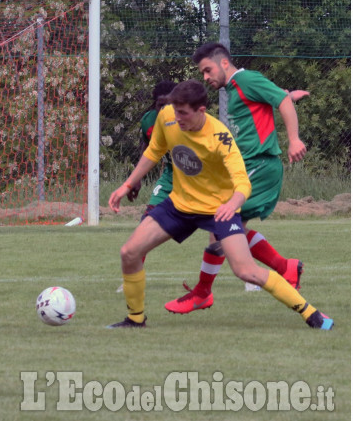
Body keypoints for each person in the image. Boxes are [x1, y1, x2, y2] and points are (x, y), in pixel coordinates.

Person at [107, 79, 333, 331]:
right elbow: (154, 150)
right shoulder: (167, 116)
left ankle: (311, 313)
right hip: (179, 206)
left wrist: (233, 204)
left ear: (201, 111)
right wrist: (127, 185)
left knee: (246, 271)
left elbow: (243, 183)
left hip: (218, 210)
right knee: (129, 252)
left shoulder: (220, 137)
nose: (177, 117)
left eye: (183, 113)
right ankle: (135, 319)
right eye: (175, 110)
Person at [164, 42, 310, 313]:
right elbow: (273, 97)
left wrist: (293, 138)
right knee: (229, 230)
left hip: (259, 166)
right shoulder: (237, 87)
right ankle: (284, 266)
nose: (205, 78)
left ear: (223, 63)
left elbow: (281, 101)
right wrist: (286, 93)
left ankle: (203, 292)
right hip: (249, 167)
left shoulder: (244, 79)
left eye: (207, 70)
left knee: (222, 225)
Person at [117, 80, 176, 293]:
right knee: (145, 224)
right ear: (154, 105)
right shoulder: (149, 121)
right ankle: (131, 280)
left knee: (226, 226)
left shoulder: (189, 118)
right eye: (161, 105)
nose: (165, 110)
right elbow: (147, 149)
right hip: (170, 178)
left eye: (170, 104)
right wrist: (136, 180)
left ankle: (251, 275)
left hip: (200, 179)